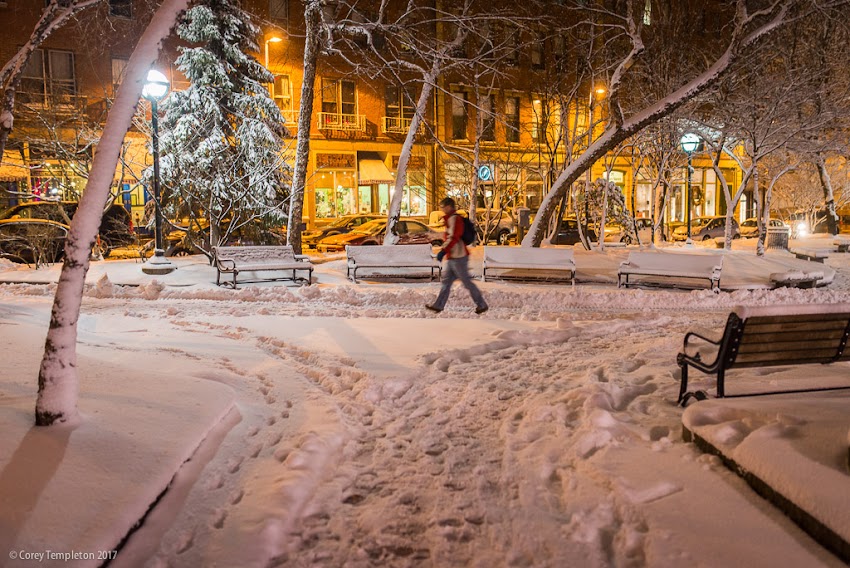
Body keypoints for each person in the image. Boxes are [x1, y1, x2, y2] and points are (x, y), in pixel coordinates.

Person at [426, 197, 488, 314]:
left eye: (443, 206)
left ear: (449, 206)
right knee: (446, 282)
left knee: (466, 282)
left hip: (459, 256)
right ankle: (438, 305)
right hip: (453, 256)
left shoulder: (454, 219)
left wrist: (444, 250)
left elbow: (453, 237)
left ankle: (482, 304)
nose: (442, 209)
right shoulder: (451, 219)